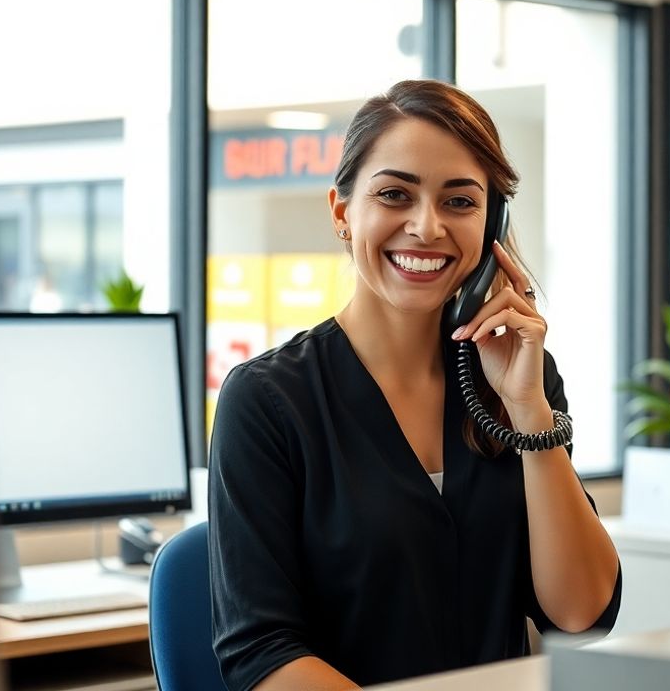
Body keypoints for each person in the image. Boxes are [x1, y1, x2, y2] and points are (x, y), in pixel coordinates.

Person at [208, 79, 622, 690]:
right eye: (395, 194)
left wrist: (529, 412)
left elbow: (581, 613)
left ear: (492, 222)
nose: (427, 228)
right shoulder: (268, 400)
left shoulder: (517, 381)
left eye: (460, 202)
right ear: (344, 212)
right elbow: (261, 652)